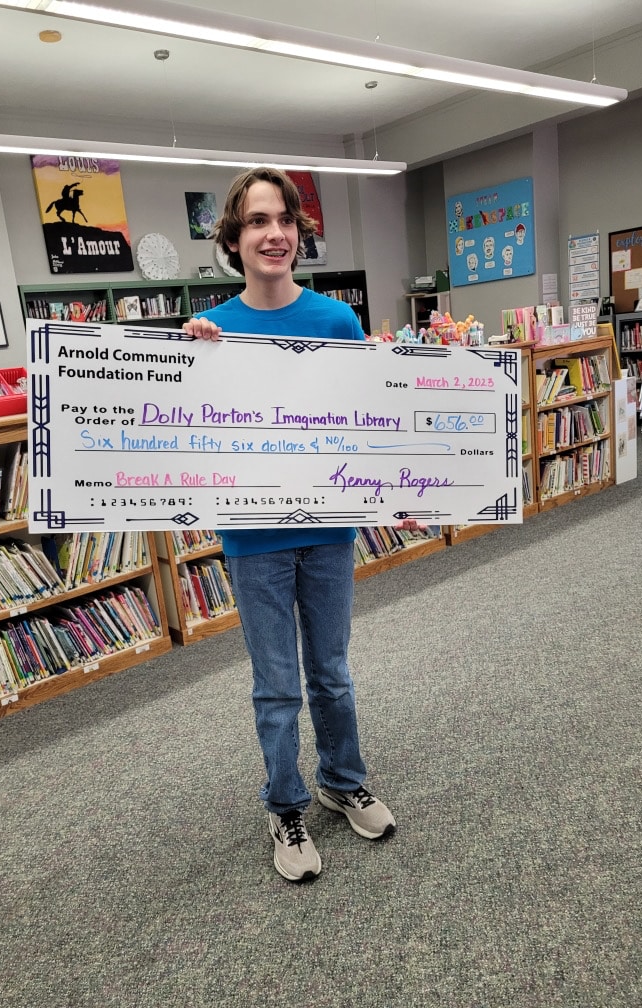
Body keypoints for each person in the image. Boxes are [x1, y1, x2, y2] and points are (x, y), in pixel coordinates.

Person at [184, 167, 411, 883]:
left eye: (284, 219)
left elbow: (365, 421)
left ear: (299, 233)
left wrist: (402, 477)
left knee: (332, 674)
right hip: (254, 540)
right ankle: (284, 805)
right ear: (234, 238)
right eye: (257, 221)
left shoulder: (337, 322)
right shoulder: (212, 331)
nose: (274, 233)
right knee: (277, 684)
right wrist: (187, 358)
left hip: (329, 529)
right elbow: (189, 433)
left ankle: (342, 781)